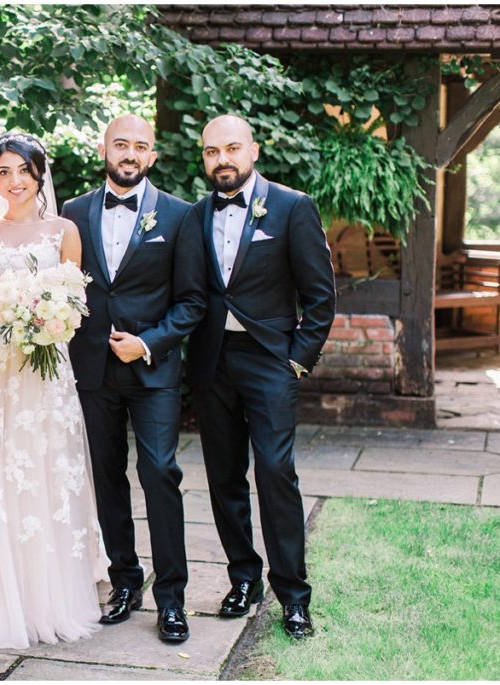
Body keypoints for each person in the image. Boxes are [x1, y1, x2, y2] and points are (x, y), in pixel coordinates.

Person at [184, 114, 336, 640]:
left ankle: (293, 596)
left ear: (253, 151)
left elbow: (321, 295)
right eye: (211, 152)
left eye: (231, 148)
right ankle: (243, 578)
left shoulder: (293, 207)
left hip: (271, 360)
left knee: (275, 473)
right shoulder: (195, 215)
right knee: (224, 477)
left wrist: (297, 361)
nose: (221, 159)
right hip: (211, 362)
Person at [61, 115, 207, 643]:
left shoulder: (180, 215)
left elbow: (193, 301)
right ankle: (125, 580)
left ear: (152, 156)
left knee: (160, 472)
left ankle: (172, 598)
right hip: (92, 370)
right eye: (120, 143)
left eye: (139, 146)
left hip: (153, 371)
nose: (129, 153)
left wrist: (147, 343)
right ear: (104, 148)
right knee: (105, 476)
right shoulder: (71, 213)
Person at [0, 133, 106, 649]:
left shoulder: (64, 231)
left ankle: (49, 597)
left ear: (40, 173)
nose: (14, 181)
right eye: (3, 171)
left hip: (43, 373)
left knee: (45, 470)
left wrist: (45, 321)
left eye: (23, 170)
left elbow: (74, 305)